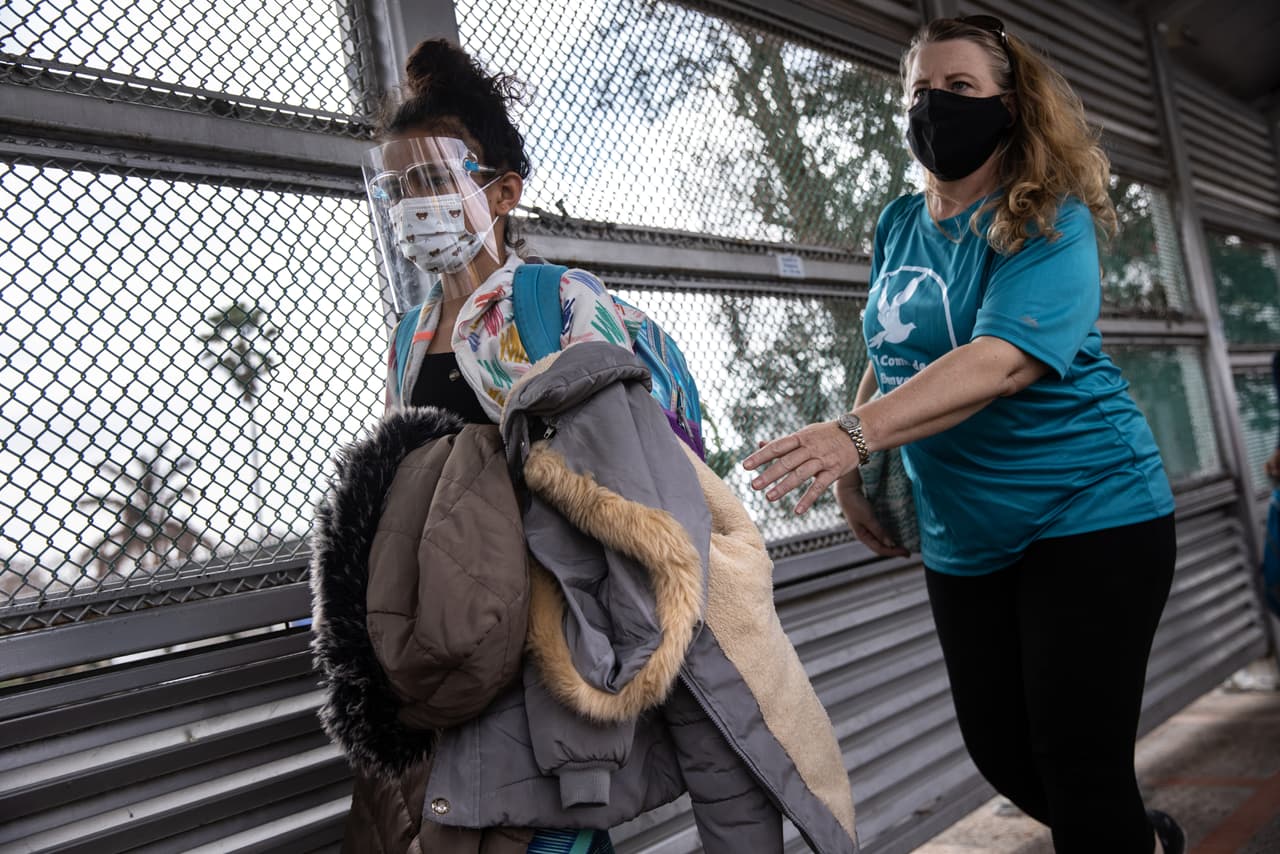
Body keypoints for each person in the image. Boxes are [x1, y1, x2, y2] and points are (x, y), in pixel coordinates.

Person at [312, 38, 857, 854]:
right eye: (395, 187)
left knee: (560, 814)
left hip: (562, 610)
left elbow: (630, 460)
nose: (409, 204)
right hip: (470, 620)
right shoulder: (410, 333)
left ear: (502, 192)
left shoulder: (556, 301)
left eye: (430, 179)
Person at [744, 16, 1185, 854]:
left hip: (1092, 511)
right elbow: (892, 346)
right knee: (1003, 752)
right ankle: (1140, 838)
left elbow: (1003, 361)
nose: (934, 107)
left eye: (959, 89)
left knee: (1075, 757)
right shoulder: (898, 222)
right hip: (965, 535)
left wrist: (852, 435)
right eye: (919, 91)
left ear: (1010, 105)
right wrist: (853, 465)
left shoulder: (1048, 218)